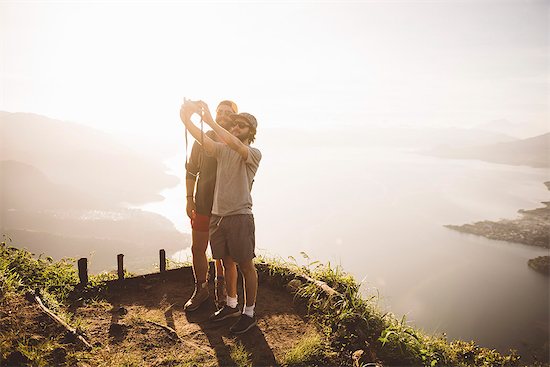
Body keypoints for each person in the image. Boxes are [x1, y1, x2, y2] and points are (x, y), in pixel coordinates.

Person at [180, 100, 261, 334]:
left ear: (251, 132)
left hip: (239, 216)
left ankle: (249, 314)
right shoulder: (222, 149)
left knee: (245, 266)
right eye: (235, 125)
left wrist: (211, 121)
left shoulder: (252, 153)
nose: (236, 128)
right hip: (219, 216)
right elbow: (202, 139)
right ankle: (231, 306)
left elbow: (236, 144)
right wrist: (186, 119)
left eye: (242, 125)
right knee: (226, 261)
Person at [183, 100, 239, 312]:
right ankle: (201, 289)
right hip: (204, 204)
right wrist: (189, 199)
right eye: (220, 112)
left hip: (226, 208)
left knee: (224, 255)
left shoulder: (236, 142)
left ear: (234, 117)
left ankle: (222, 291)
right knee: (198, 248)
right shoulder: (201, 139)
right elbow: (191, 171)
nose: (223, 115)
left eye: (228, 112)